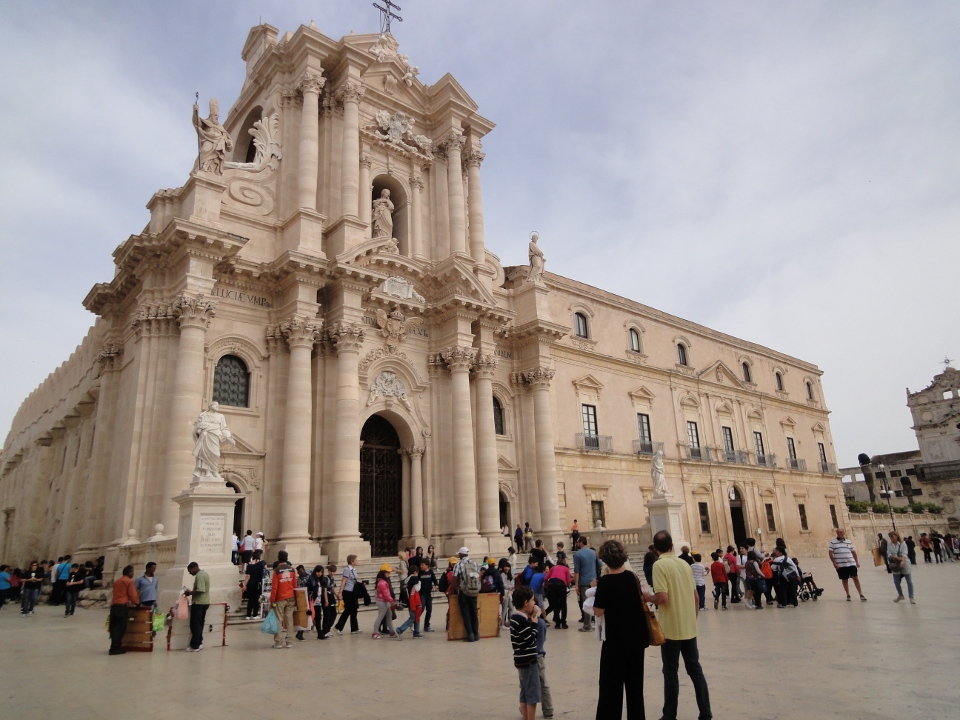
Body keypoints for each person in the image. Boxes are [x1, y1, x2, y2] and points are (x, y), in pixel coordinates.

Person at [650, 530, 712, 720]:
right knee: (695, 670)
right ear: (671, 546)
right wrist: (692, 620)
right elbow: (695, 596)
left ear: (655, 549)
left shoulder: (659, 565)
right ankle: (705, 712)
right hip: (689, 627)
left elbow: (662, 598)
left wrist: (646, 597)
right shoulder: (685, 564)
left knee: (670, 672)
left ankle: (669, 715)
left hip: (670, 630)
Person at [593, 539, 651, 720]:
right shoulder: (632, 577)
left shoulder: (605, 582)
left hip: (616, 641)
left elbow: (598, 610)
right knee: (635, 687)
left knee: (610, 687)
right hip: (636, 638)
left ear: (605, 559)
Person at [510, 585, 542, 720]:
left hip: (520, 659)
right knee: (532, 694)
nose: (534, 603)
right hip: (528, 660)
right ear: (526, 603)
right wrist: (534, 623)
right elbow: (530, 639)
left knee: (524, 691)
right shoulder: (521, 620)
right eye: (533, 600)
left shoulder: (514, 617)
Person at [192, 401, 233, 478]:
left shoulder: (220, 416)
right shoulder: (203, 415)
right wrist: (200, 428)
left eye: (218, 405)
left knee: (216, 454)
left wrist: (229, 436)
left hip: (216, 435)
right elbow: (197, 426)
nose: (217, 406)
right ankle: (208, 472)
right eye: (215, 405)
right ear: (210, 406)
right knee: (205, 453)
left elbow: (224, 428)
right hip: (206, 435)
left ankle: (214, 470)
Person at [192, 98, 233, 174]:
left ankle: (210, 171)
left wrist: (229, 143)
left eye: (217, 116)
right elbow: (196, 122)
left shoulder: (221, 128)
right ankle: (199, 169)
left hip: (218, 144)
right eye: (215, 115)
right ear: (211, 116)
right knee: (204, 153)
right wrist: (195, 111)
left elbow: (228, 139)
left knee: (215, 159)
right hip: (209, 141)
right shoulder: (206, 122)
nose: (216, 117)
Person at [828, 528, 866, 602]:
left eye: (841, 532)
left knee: (855, 578)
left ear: (844, 533)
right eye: (838, 532)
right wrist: (834, 563)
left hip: (851, 563)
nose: (839, 533)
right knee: (844, 580)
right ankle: (848, 594)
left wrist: (856, 562)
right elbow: (830, 553)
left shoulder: (848, 542)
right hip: (841, 565)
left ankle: (861, 594)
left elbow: (853, 552)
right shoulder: (833, 542)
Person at [268, 551, 297, 649]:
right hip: (291, 596)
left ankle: (278, 642)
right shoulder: (292, 570)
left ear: (278, 558)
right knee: (289, 619)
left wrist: (272, 600)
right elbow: (295, 585)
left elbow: (274, 587)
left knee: (278, 620)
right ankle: (289, 642)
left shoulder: (276, 571)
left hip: (280, 598)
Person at [109, 565, 139, 655]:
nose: (133, 574)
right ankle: (115, 648)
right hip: (122, 606)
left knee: (114, 627)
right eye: (132, 572)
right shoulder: (129, 581)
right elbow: (132, 594)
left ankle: (114, 646)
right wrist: (137, 602)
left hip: (114, 606)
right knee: (120, 628)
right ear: (129, 573)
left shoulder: (117, 581)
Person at [453, 547, 481, 642]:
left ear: (461, 554)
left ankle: (470, 635)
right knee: (474, 613)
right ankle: (476, 634)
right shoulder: (474, 563)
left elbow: (455, 579)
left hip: (464, 592)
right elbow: (478, 576)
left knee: (466, 614)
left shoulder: (458, 564)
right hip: (474, 591)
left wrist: (457, 590)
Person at [573, 536, 599, 632]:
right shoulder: (593, 552)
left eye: (577, 542)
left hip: (583, 582)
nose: (576, 543)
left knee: (586, 603)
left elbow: (576, 571)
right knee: (595, 601)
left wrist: (576, 584)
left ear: (580, 542)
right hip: (593, 580)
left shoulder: (578, 555)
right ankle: (597, 622)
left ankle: (587, 625)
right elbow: (599, 565)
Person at [182, 562, 210, 651]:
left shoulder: (199, 575)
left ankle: (195, 645)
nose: (190, 573)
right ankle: (199, 642)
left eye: (190, 571)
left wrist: (190, 593)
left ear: (194, 568)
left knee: (195, 624)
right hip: (205, 602)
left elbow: (200, 590)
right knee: (200, 623)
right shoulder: (204, 574)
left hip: (199, 603)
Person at [334, 555, 362, 635]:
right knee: (348, 610)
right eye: (356, 560)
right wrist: (340, 592)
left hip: (353, 592)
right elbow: (343, 581)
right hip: (347, 591)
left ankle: (354, 628)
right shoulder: (347, 570)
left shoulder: (354, 570)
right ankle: (338, 627)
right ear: (352, 561)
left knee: (354, 609)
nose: (357, 561)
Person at [396, 565, 424, 639]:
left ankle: (417, 632)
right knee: (413, 617)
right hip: (414, 600)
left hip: (409, 600)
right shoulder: (414, 578)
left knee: (415, 616)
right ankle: (400, 629)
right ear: (415, 572)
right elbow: (417, 588)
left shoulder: (407, 579)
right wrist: (420, 583)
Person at [887, 531, 915, 604]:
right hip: (895, 565)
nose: (891, 538)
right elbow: (889, 554)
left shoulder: (903, 544)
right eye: (890, 536)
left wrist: (901, 561)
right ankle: (900, 595)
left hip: (904, 564)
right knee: (896, 582)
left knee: (909, 581)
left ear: (896, 536)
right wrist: (897, 558)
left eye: (892, 536)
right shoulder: (889, 545)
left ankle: (911, 597)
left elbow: (904, 554)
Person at [372, 566, 398, 640]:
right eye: (387, 572)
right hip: (382, 601)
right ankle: (375, 632)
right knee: (380, 616)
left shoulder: (383, 581)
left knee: (389, 617)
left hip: (386, 601)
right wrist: (392, 601)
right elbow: (386, 594)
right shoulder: (382, 583)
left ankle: (392, 631)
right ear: (383, 573)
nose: (388, 574)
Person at [544, 556, 571, 628]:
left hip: (551, 585)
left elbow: (546, 578)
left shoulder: (553, 568)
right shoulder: (566, 569)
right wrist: (567, 586)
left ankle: (557, 623)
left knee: (555, 603)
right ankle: (564, 623)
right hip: (561, 585)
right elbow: (568, 581)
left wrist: (546, 584)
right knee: (563, 604)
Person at [242, 550, 266, 619]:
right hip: (258, 584)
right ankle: (255, 614)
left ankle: (248, 615)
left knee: (250, 600)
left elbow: (247, 576)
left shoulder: (249, 565)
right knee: (256, 599)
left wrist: (245, 585)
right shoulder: (261, 564)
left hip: (250, 584)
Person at [417, 558, 438, 632]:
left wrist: (436, 585)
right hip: (422, 594)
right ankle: (414, 622)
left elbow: (435, 580)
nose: (421, 566)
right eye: (420, 564)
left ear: (427, 565)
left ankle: (426, 626)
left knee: (429, 610)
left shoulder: (430, 572)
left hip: (428, 594)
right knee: (421, 608)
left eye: (422, 565)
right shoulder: (420, 573)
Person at [318, 564, 338, 638]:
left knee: (334, 614)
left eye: (333, 572)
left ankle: (328, 629)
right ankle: (325, 630)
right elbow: (325, 590)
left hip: (332, 597)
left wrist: (337, 595)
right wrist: (326, 600)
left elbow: (333, 588)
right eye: (331, 571)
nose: (332, 573)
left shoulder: (332, 579)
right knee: (327, 615)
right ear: (328, 571)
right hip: (326, 597)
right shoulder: (326, 579)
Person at [499, 558, 515, 628]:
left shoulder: (507, 575)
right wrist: (509, 587)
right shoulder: (502, 574)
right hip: (505, 592)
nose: (507, 568)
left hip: (508, 593)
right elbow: (502, 585)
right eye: (505, 566)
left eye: (508, 566)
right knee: (504, 609)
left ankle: (509, 622)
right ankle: (502, 624)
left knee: (511, 607)